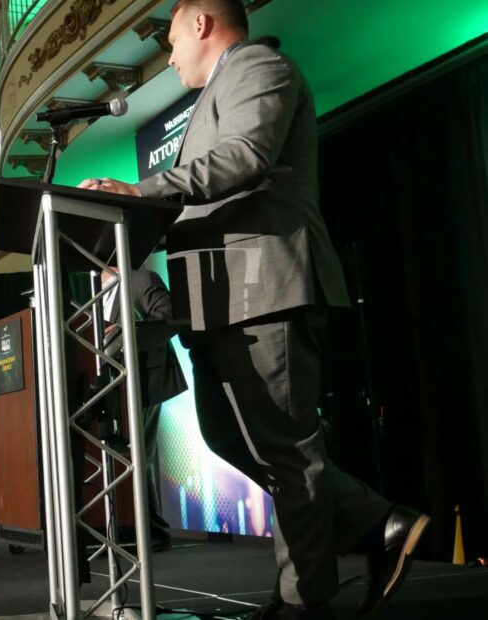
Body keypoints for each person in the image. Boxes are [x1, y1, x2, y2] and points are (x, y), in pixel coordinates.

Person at [78, 1, 428, 617]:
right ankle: (380, 524)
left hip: (266, 289)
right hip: (218, 301)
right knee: (228, 436)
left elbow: (245, 156)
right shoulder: (219, 88)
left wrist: (144, 190)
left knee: (287, 449)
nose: (170, 50)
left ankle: (302, 600)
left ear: (202, 23)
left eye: (170, 35)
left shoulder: (263, 66)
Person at [100, 268, 187, 553]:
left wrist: (124, 330)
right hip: (116, 386)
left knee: (139, 455)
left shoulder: (140, 279)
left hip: (145, 382)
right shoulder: (93, 289)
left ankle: (154, 532)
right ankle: (141, 528)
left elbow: (167, 317)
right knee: (133, 455)